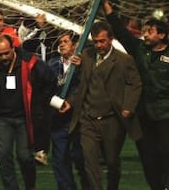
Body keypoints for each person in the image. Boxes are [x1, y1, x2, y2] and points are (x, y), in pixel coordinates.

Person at [60, 21, 142, 190]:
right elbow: (83, 87)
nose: (98, 45)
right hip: (87, 120)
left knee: (112, 162)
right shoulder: (86, 56)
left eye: (102, 41)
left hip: (112, 120)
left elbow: (135, 84)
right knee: (90, 163)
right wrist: (71, 102)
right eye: (95, 41)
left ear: (110, 39)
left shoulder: (123, 60)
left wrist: (128, 106)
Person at [103, 0, 169, 190]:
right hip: (144, 115)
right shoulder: (139, 49)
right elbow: (120, 31)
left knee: (166, 152)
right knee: (148, 157)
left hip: (166, 115)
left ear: (162, 35)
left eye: (150, 31)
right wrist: (107, 6)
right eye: (145, 31)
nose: (145, 34)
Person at [0, 34, 56, 190]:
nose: (4, 57)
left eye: (7, 53)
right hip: (1, 118)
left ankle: (30, 186)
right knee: (3, 156)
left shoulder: (29, 62)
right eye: (0, 54)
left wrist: (39, 101)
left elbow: (50, 80)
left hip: (24, 117)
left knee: (25, 157)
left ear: (13, 48)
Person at [47, 31, 89, 190]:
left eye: (66, 41)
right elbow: (45, 88)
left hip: (79, 118)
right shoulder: (52, 64)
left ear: (75, 45)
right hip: (58, 119)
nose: (62, 44)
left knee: (81, 158)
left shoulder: (83, 64)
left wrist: (71, 102)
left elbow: (85, 86)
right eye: (60, 42)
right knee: (59, 160)